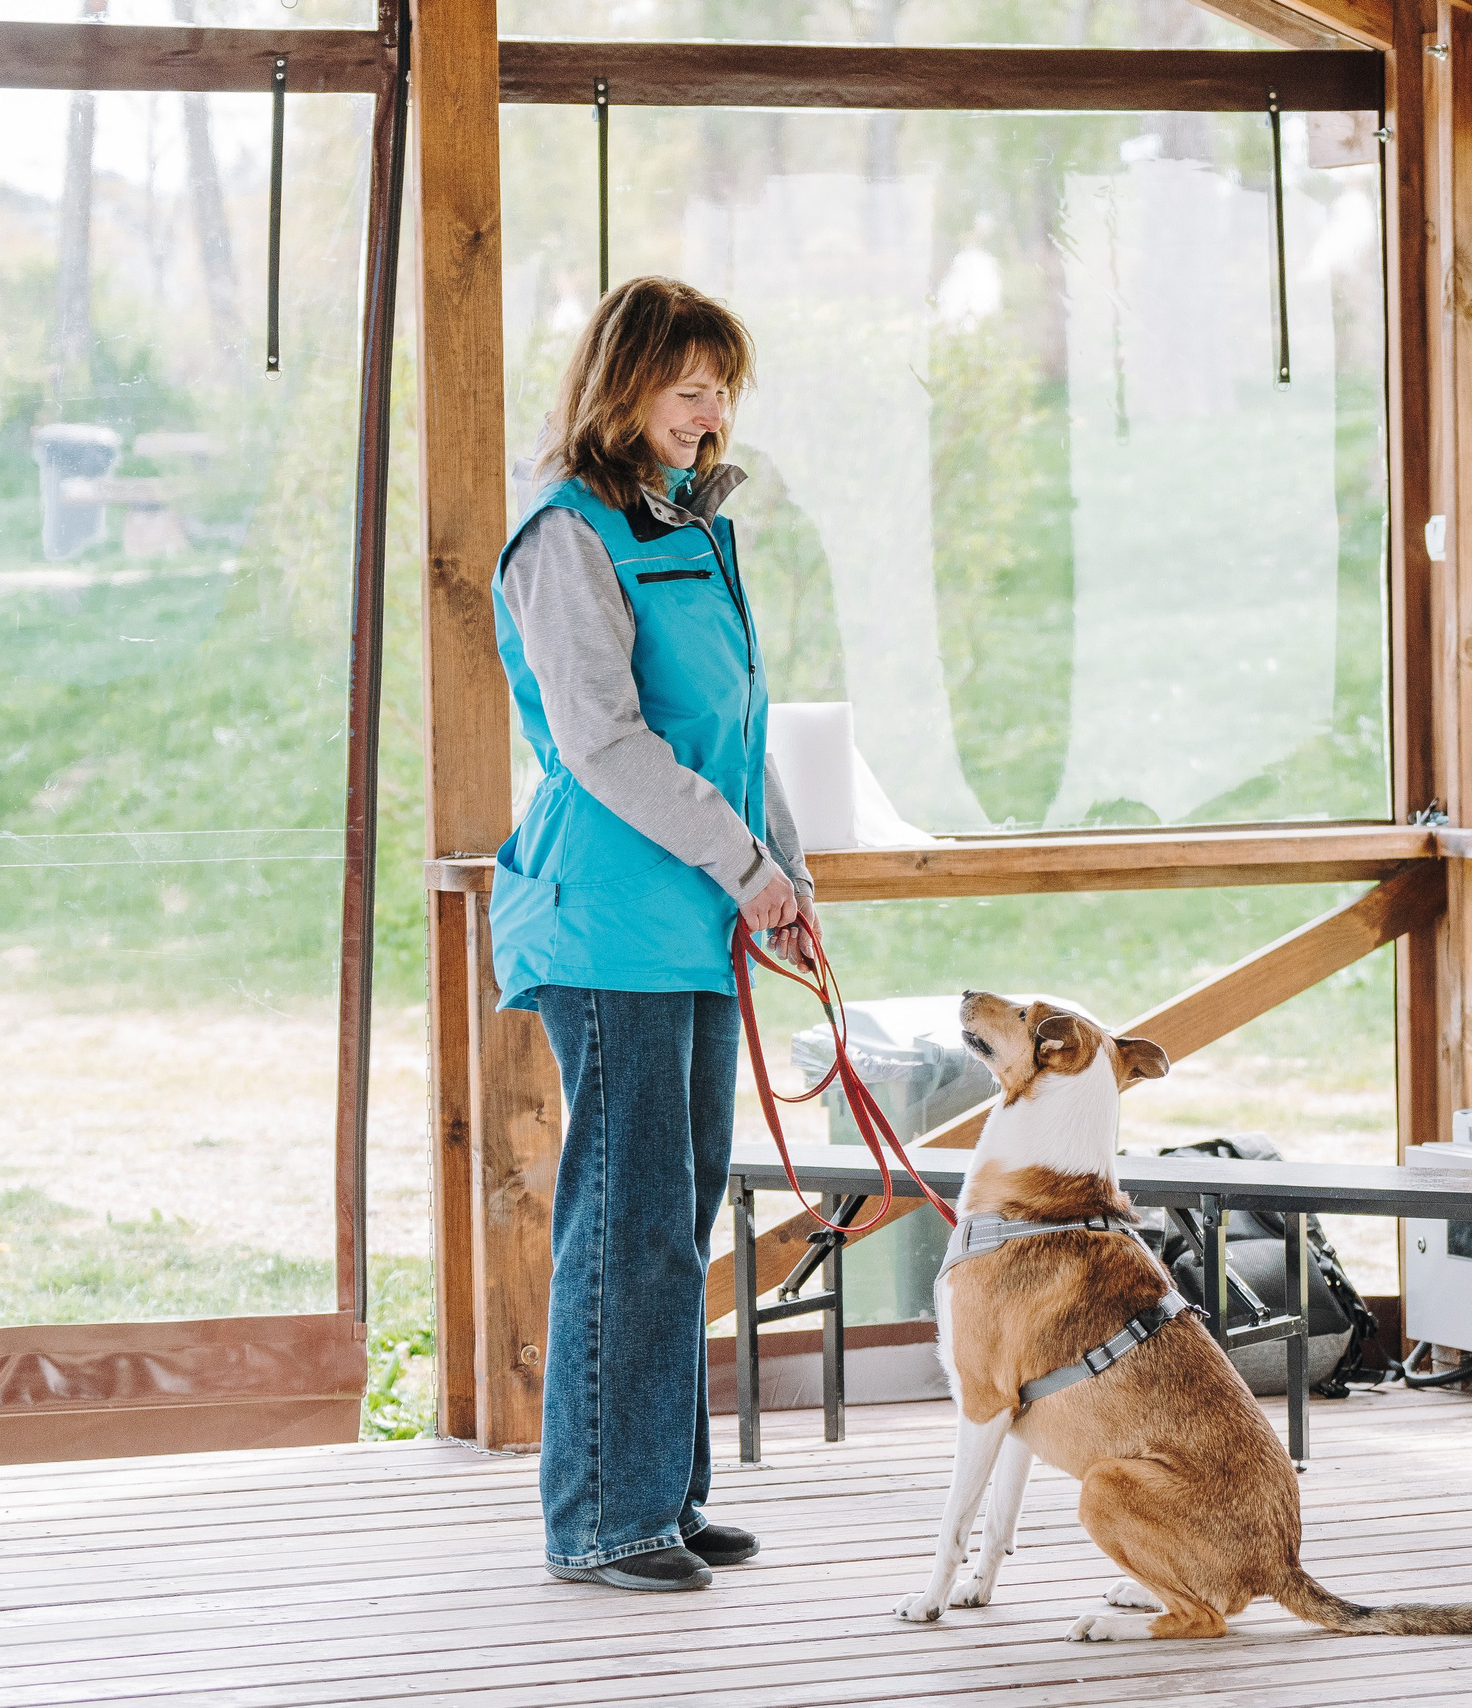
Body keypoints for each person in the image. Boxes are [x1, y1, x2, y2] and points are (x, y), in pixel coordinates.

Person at [487, 276, 823, 1592]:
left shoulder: (692, 529)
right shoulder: (563, 539)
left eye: (722, 385)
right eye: (688, 384)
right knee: (626, 1225)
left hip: (693, 920)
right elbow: (605, 744)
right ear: (620, 389)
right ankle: (603, 1519)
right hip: (606, 924)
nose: (712, 407)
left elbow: (734, 727)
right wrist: (744, 868)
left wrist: (782, 875)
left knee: (674, 1221)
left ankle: (663, 1500)